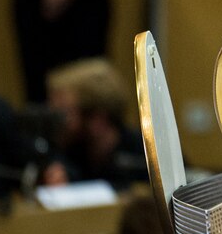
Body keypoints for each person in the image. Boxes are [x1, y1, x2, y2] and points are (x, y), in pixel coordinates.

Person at [40, 58, 148, 189]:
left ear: (98, 119)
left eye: (64, 113)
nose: (57, 123)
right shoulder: (61, 156)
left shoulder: (144, 157)